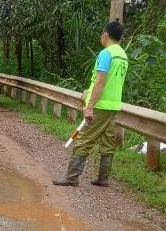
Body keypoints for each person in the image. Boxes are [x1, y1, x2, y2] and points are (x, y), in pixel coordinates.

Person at [54, 20, 129, 188]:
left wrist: (89, 107)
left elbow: (100, 82)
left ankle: (72, 177)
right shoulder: (123, 55)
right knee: (108, 142)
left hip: (100, 105)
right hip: (114, 106)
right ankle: (103, 179)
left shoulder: (106, 54)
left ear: (105, 35)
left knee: (84, 140)